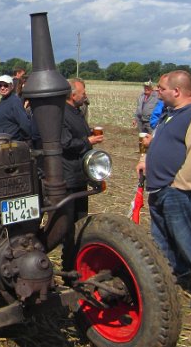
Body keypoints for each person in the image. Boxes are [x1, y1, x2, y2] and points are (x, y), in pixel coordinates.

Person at [135, 70, 191, 309]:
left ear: (177, 91)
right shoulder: (171, 114)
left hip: (178, 190)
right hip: (160, 188)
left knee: (187, 239)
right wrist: (148, 160)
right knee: (162, 239)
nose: (157, 92)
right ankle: (175, 273)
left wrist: (181, 185)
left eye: (162, 89)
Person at [60, 78, 104, 271]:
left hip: (80, 175)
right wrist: (89, 141)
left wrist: (89, 136)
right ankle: (69, 264)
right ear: (72, 94)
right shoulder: (62, 114)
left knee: (81, 220)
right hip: (69, 176)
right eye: (83, 92)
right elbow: (65, 143)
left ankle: (80, 260)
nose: (85, 95)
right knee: (68, 224)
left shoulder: (77, 112)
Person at [0, 75, 32, 141]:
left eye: (5, 85)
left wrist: (27, 139)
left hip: (9, 143)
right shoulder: (3, 101)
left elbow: (24, 123)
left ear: (12, 86)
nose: (2, 88)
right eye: (0, 85)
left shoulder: (15, 102)